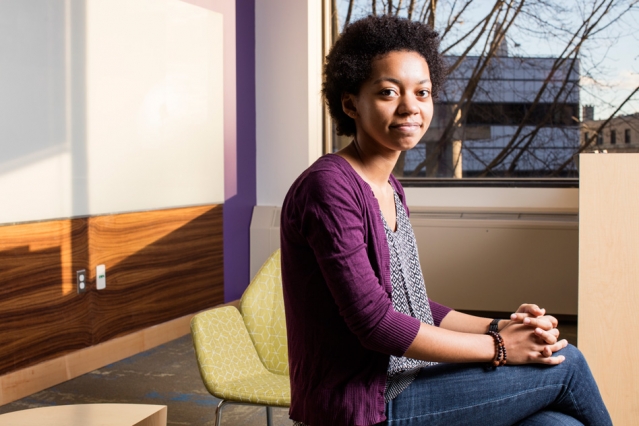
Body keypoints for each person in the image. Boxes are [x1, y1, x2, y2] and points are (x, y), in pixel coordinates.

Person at [280, 15, 611, 426]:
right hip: (362, 404)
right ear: (351, 103)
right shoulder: (329, 187)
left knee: (557, 425)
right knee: (568, 363)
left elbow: (412, 303)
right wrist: (500, 346)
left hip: (405, 381)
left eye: (423, 92)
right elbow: (377, 324)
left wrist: (501, 324)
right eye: (388, 92)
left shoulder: (389, 188)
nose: (410, 107)